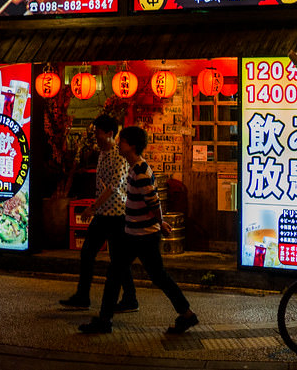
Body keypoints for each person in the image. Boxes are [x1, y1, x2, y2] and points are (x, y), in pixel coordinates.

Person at [80, 125, 198, 335]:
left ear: (131, 146)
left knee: (152, 276)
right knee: (119, 274)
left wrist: (160, 223)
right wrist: (158, 223)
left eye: (122, 141)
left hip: (142, 236)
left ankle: (187, 314)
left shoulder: (141, 171)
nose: (118, 144)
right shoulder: (134, 168)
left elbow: (154, 201)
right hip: (135, 233)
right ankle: (105, 320)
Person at [59, 114, 137, 312]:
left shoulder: (119, 155)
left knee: (117, 259)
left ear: (110, 133)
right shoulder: (102, 152)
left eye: (98, 133)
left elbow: (113, 186)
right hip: (103, 212)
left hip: (117, 214)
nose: (96, 137)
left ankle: (129, 299)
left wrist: (92, 207)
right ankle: (83, 297)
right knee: (88, 253)